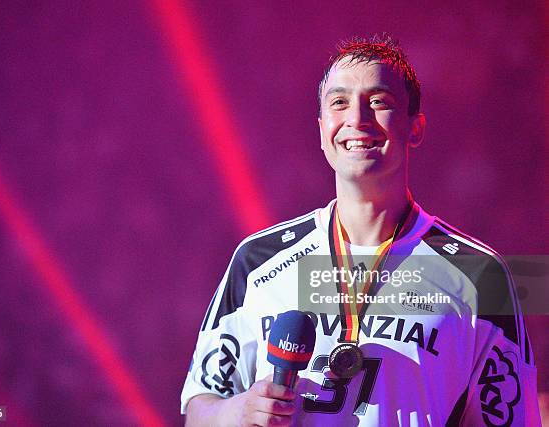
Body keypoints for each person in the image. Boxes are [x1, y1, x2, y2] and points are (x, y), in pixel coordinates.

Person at [181, 34, 541, 426]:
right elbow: (200, 408)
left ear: (415, 127)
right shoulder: (257, 261)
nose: (357, 118)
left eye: (378, 101)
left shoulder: (479, 276)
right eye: (339, 102)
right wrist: (238, 411)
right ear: (322, 131)